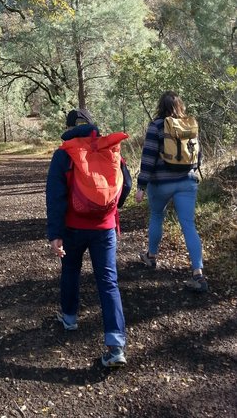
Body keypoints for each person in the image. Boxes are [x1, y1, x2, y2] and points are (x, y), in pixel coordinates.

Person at [46, 108, 127, 368]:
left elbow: (55, 197)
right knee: (108, 281)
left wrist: (55, 234)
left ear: (69, 127)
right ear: (93, 125)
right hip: (104, 228)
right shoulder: (109, 149)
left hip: (72, 227)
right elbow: (124, 185)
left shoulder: (63, 154)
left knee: (70, 270)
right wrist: (110, 208)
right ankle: (115, 346)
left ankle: (69, 317)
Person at [135, 91, 208, 292]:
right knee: (188, 225)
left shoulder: (156, 125)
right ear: (180, 106)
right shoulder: (189, 125)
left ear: (161, 106)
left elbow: (148, 157)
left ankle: (151, 257)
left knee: (157, 216)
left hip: (161, 184)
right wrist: (191, 172)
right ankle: (198, 274)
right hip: (187, 182)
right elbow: (198, 156)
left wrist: (141, 186)